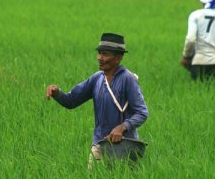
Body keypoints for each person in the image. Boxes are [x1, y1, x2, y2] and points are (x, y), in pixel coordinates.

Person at [46, 33, 148, 169]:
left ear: (118, 58)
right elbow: (71, 101)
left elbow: (142, 112)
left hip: (124, 146)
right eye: (99, 53)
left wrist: (122, 127)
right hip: (100, 144)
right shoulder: (97, 79)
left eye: (105, 54)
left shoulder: (127, 79)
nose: (100, 58)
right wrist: (57, 93)